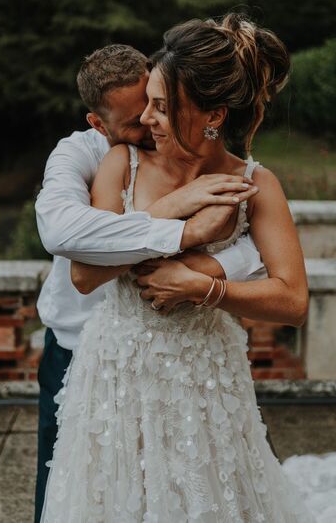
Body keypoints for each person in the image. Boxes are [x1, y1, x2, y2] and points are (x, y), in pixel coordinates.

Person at [34, 44, 266, 522]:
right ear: (99, 124)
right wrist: (180, 221)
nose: (151, 123)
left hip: (182, 364)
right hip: (81, 351)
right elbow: (65, 238)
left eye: (156, 105)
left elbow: (255, 239)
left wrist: (212, 270)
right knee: (74, 498)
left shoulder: (194, 151)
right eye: (134, 121)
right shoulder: (80, 154)